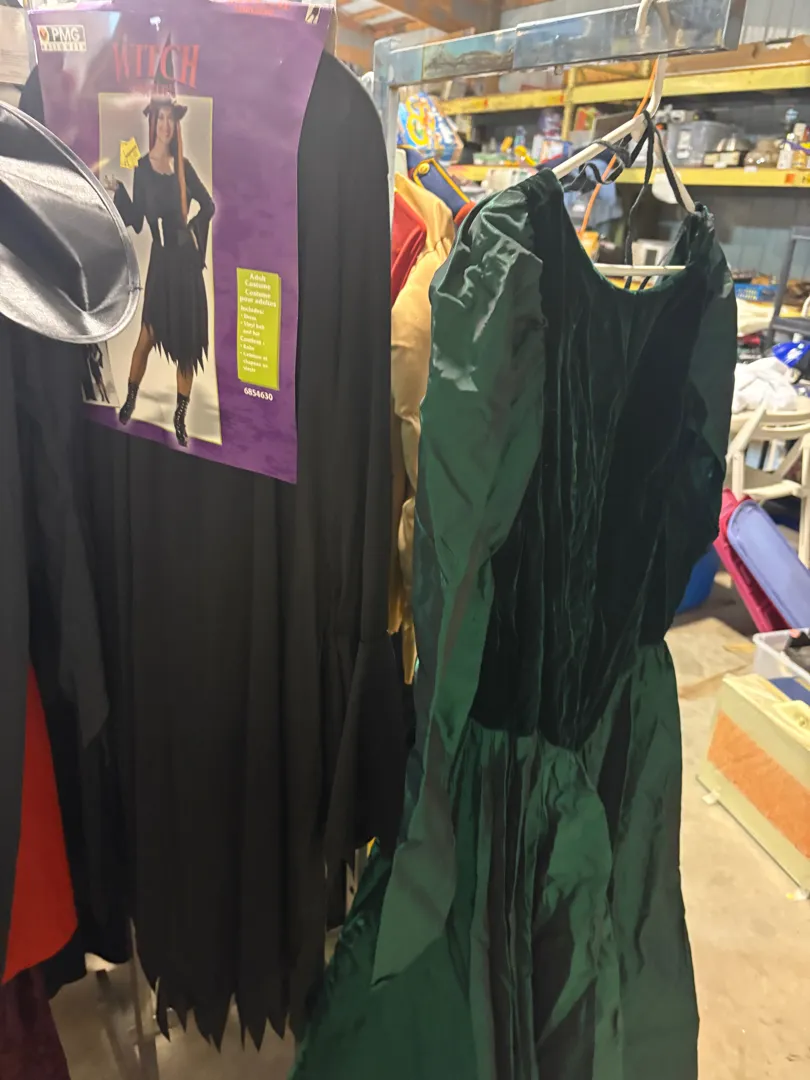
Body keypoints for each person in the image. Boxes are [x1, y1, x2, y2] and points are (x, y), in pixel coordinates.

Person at [105, 85, 214, 446]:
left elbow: (208, 206)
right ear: (152, 122)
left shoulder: (184, 167)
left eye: (170, 119)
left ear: (175, 125)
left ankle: (180, 417)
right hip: (162, 265)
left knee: (187, 345)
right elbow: (137, 220)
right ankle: (131, 398)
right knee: (146, 336)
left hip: (186, 268)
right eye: (160, 118)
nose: (165, 125)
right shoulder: (142, 168)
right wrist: (119, 192)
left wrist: (193, 234)